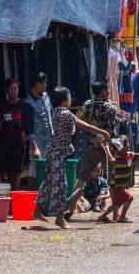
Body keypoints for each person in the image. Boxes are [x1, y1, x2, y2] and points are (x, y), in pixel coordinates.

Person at [33, 87, 111, 228]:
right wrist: (103, 131)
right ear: (64, 100)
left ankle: (38, 210)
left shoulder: (56, 112)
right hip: (57, 154)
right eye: (69, 97)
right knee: (61, 185)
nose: (70, 100)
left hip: (54, 152)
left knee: (49, 182)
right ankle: (59, 217)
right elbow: (85, 126)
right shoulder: (65, 114)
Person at [64, 79, 121, 220]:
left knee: (81, 179)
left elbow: (83, 120)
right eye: (107, 89)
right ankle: (114, 213)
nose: (109, 91)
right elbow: (111, 127)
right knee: (113, 180)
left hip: (90, 146)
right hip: (106, 147)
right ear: (103, 91)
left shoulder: (86, 105)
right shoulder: (110, 107)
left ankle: (70, 207)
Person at [97, 137, 139, 223]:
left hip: (122, 185)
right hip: (116, 186)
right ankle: (122, 217)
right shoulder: (116, 156)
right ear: (121, 146)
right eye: (127, 144)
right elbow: (111, 160)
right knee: (129, 198)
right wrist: (107, 147)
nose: (129, 146)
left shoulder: (130, 155)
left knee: (116, 204)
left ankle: (102, 216)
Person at [0, 78, 26, 191]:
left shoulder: (23, 105)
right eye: (10, 89)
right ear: (6, 91)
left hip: (19, 143)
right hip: (3, 142)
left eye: (15, 89)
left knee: (16, 170)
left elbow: (28, 123)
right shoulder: (3, 106)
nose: (13, 91)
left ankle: (13, 193)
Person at [22, 72, 54, 190]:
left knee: (48, 170)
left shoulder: (45, 96)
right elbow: (28, 128)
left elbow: (51, 113)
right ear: (37, 84)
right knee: (34, 170)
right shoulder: (28, 104)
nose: (46, 86)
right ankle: (33, 196)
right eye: (44, 83)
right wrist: (35, 148)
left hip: (50, 140)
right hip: (38, 143)